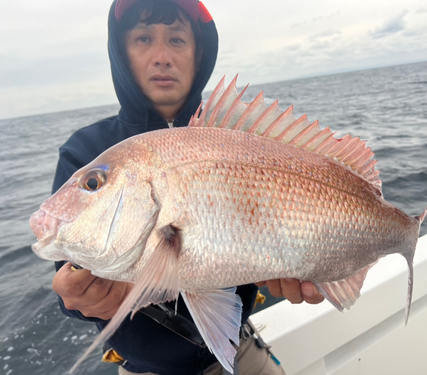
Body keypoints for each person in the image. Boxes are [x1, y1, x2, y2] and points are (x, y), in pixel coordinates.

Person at [51, 1, 324, 374]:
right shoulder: (85, 153)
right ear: (120, 51)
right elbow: (66, 275)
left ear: (200, 56)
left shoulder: (239, 137)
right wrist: (78, 299)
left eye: (177, 40)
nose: (162, 56)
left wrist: (318, 261)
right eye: (144, 38)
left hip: (240, 351)